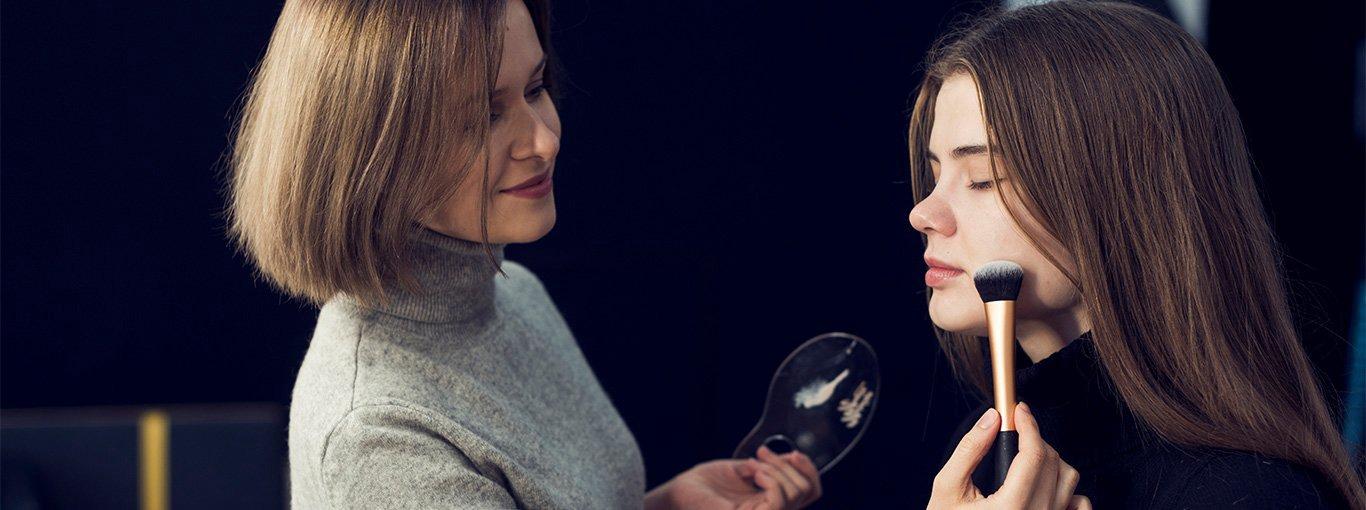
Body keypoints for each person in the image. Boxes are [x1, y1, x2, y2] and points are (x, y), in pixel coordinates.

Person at [224, 0, 820, 508]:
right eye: (484, 116)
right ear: (373, 153)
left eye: (535, 88)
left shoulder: (515, 292)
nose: (544, 139)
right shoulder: (379, 435)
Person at [905, 2, 1366, 508]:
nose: (923, 213)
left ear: (1118, 200)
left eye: (982, 179)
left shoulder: (1247, 494)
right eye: (935, 175)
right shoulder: (977, 463)